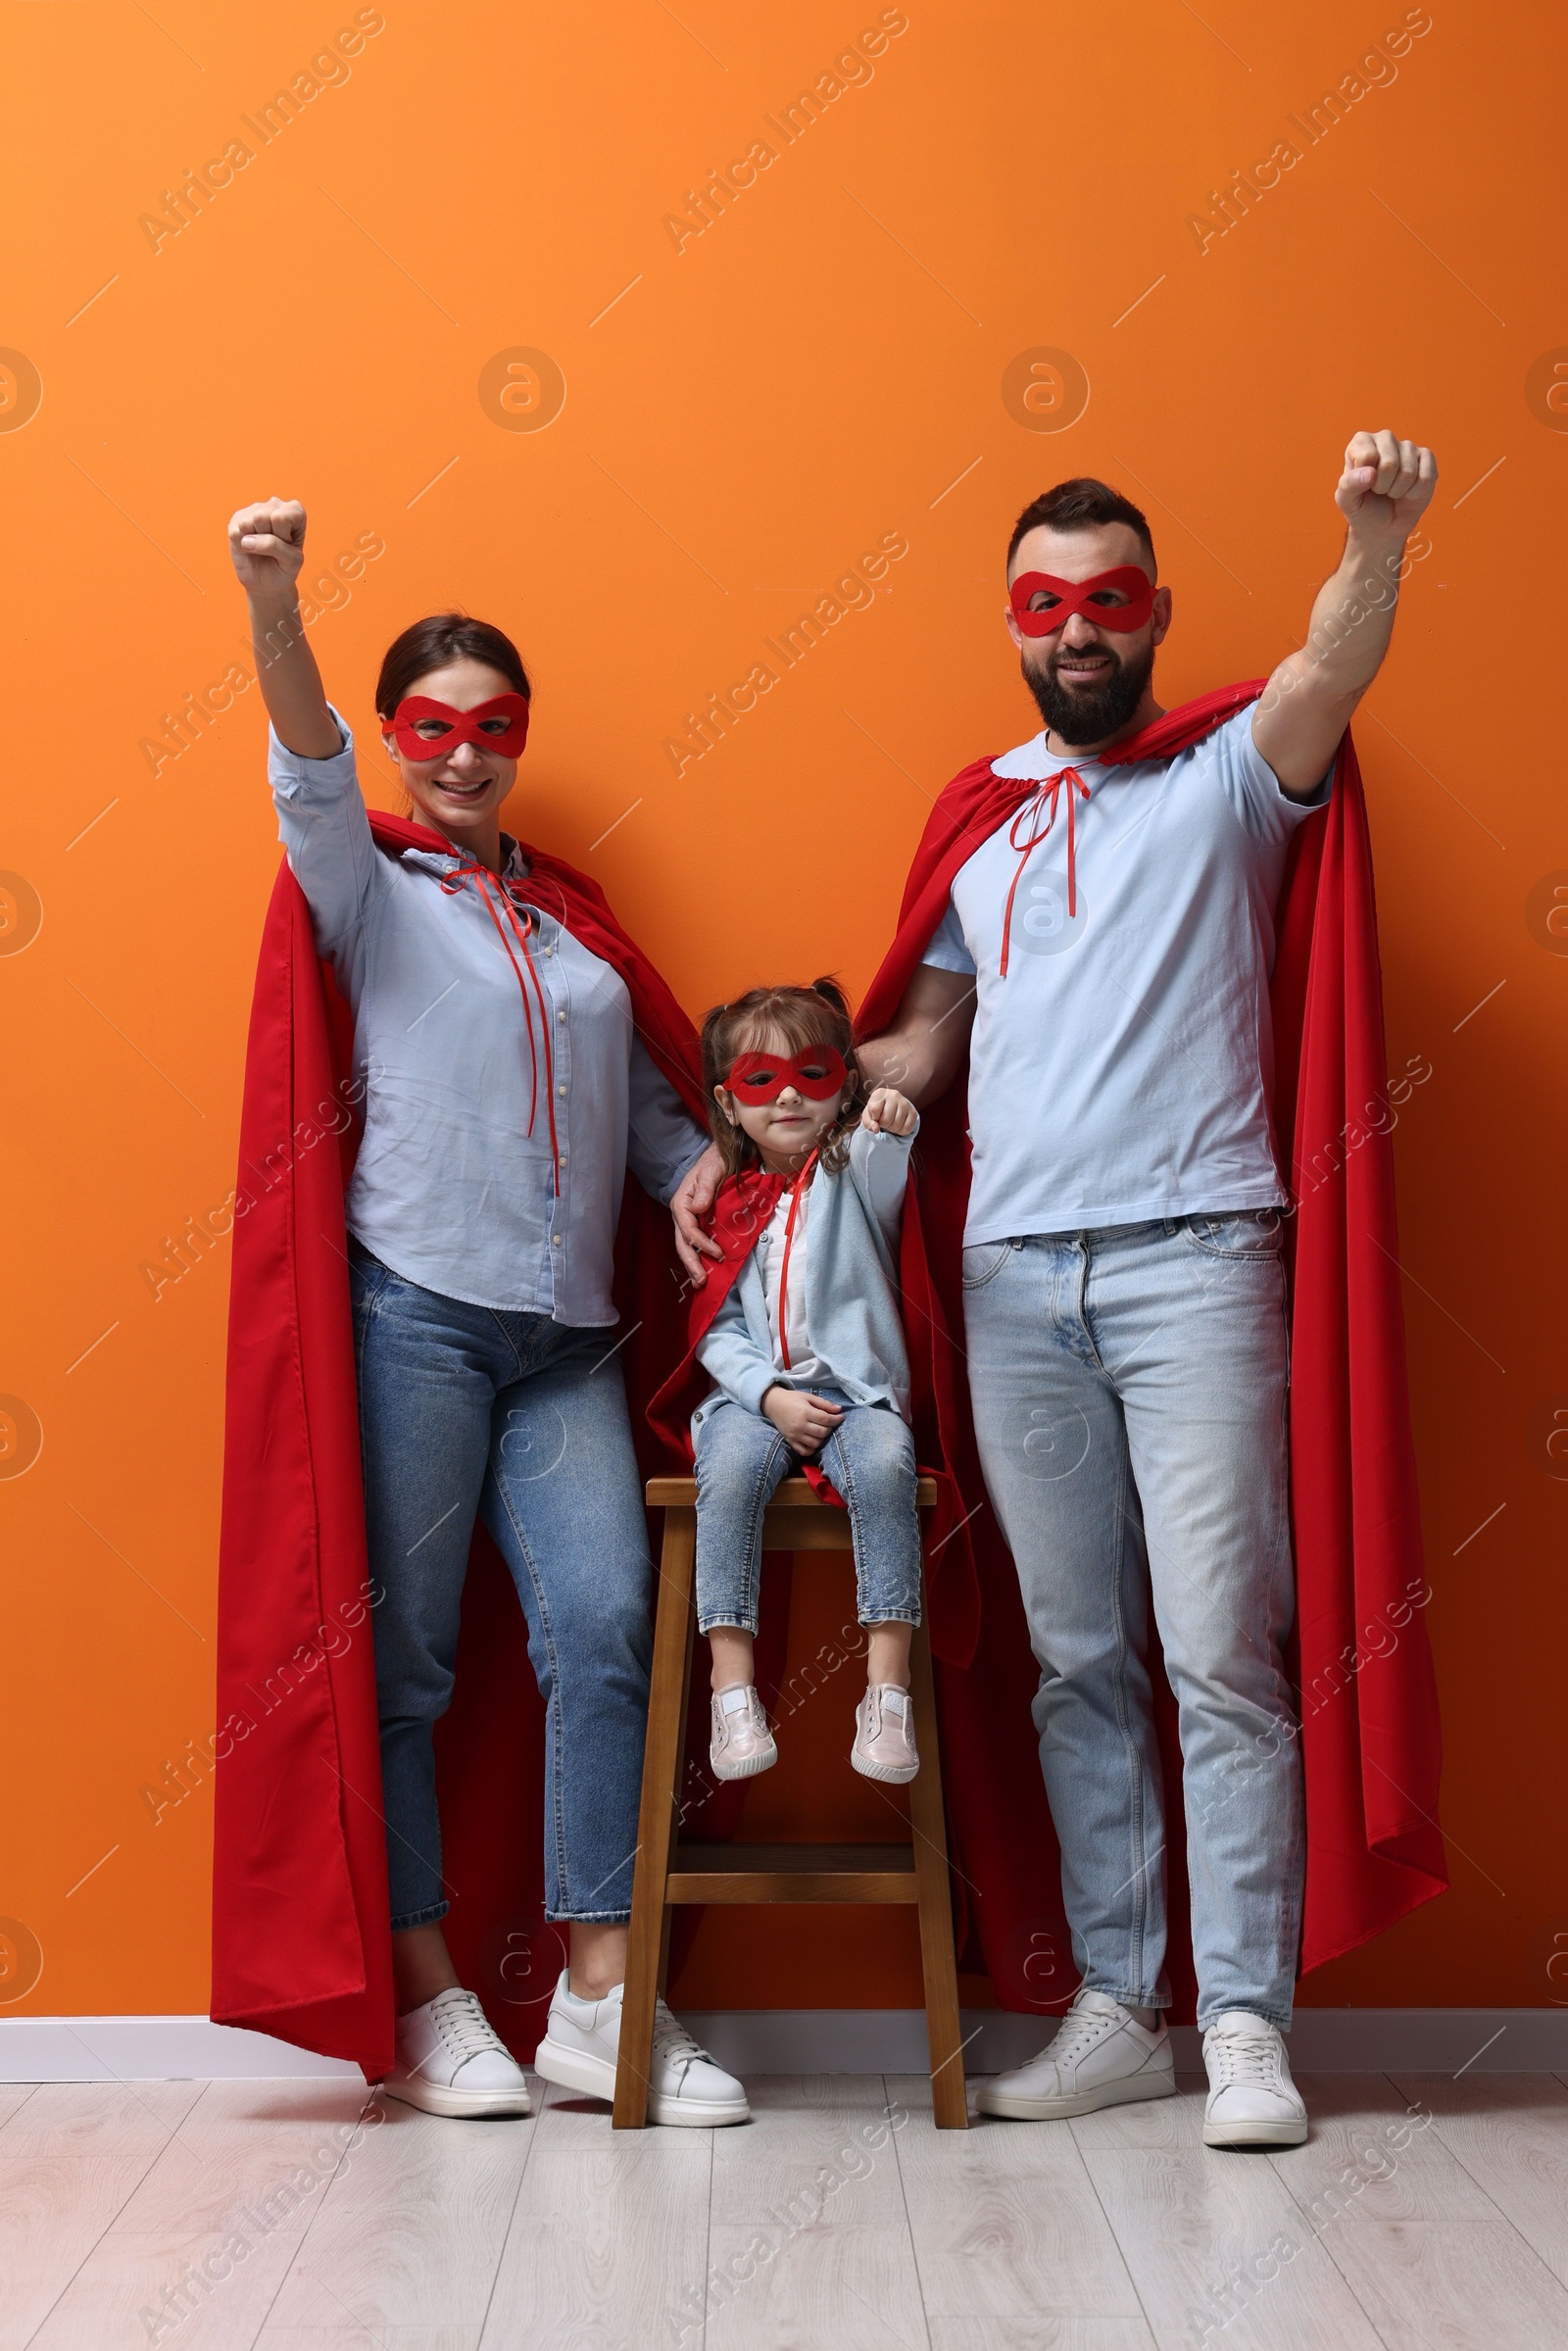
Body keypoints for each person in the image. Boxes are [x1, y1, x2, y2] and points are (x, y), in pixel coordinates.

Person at [672, 430, 1439, 2149]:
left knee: (1220, 1652)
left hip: (1198, 1260)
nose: (1076, 629)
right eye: (1044, 603)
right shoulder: (983, 824)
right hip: (1014, 1276)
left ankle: (1242, 2015)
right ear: (1010, 623)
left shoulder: (1234, 770)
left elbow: (1332, 661)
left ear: (1153, 611)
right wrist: (736, 1125)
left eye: (1106, 600)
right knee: (1079, 1657)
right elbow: (923, 1046)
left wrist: (1375, 535)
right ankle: (1119, 2002)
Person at [223, 496, 748, 2128]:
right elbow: (304, 760)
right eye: (431, 728)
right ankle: (433, 1987)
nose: (463, 755)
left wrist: (688, 1172)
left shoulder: (570, 920)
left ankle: (602, 1994)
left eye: (491, 727)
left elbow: (648, 1101)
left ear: (522, 737)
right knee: (410, 1667)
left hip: (570, 1341)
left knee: (603, 1630)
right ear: (396, 738)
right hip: (415, 1320)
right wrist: (275, 595)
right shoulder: (368, 886)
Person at [674, 982, 924, 1785]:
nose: (785, 1093)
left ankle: (887, 1693)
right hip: (756, 1400)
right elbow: (715, 1327)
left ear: (841, 1084)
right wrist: (769, 1398)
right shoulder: (726, 1202)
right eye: (759, 1079)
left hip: (857, 1397)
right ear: (727, 1100)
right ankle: (732, 1689)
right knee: (734, 1467)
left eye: (810, 1073)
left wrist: (891, 1120)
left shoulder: (853, 1175)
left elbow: (888, 1162)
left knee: (887, 1463)